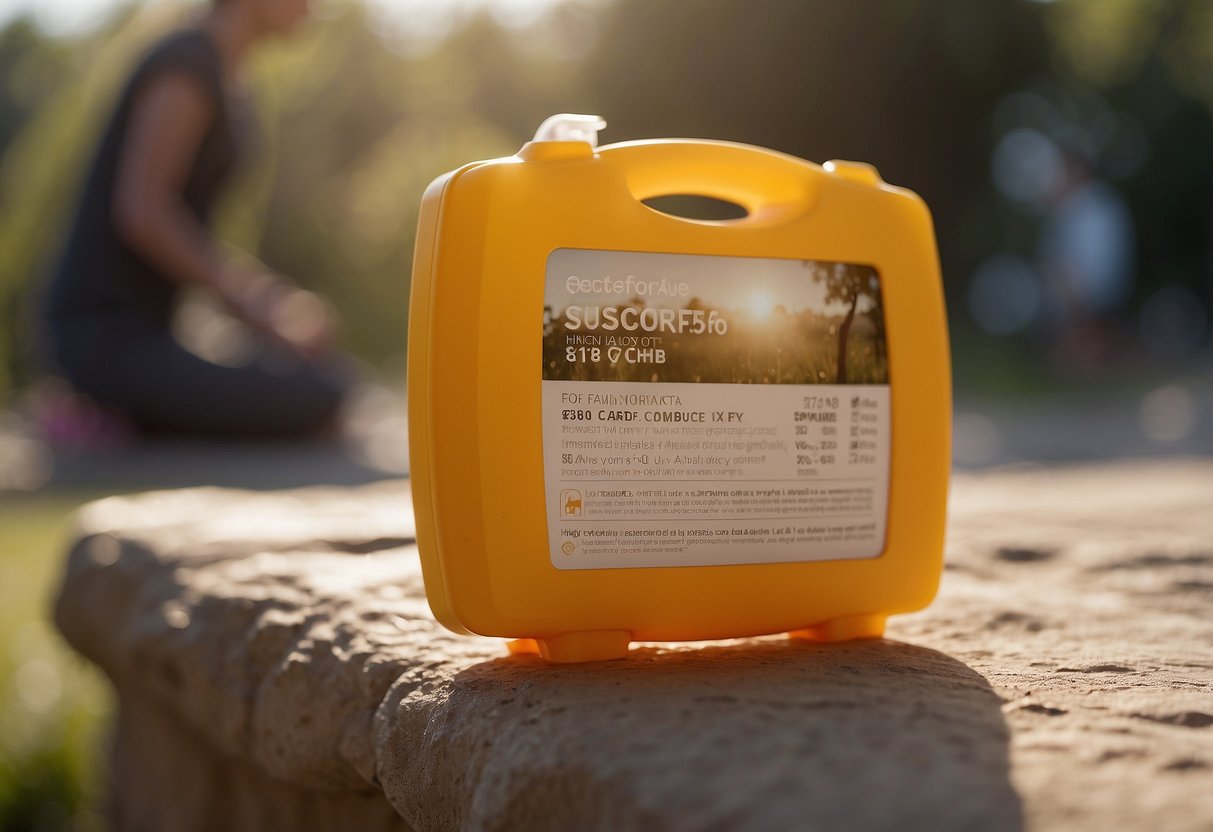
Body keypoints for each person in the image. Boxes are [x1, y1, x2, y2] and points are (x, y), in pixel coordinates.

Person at [41, 0, 350, 438]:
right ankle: (100, 413)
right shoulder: (187, 64)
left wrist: (271, 307)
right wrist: (264, 306)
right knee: (319, 395)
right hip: (103, 340)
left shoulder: (229, 77)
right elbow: (143, 212)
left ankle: (119, 418)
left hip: (156, 332)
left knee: (322, 376)